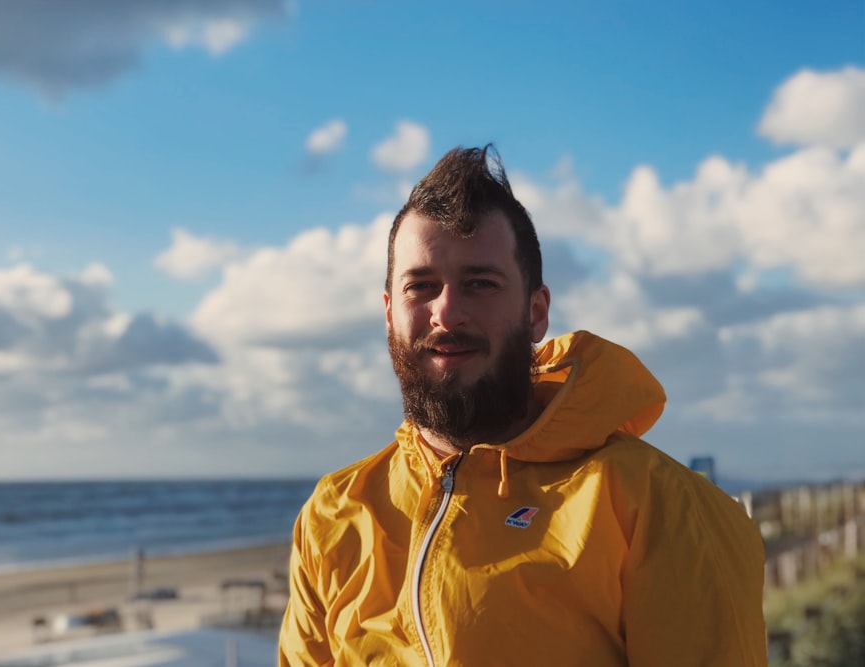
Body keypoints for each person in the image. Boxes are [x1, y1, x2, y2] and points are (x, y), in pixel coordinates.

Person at [278, 145, 767, 666]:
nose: (446, 312)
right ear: (389, 312)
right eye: (421, 286)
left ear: (536, 313)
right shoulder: (334, 513)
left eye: (480, 284)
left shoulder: (654, 504)